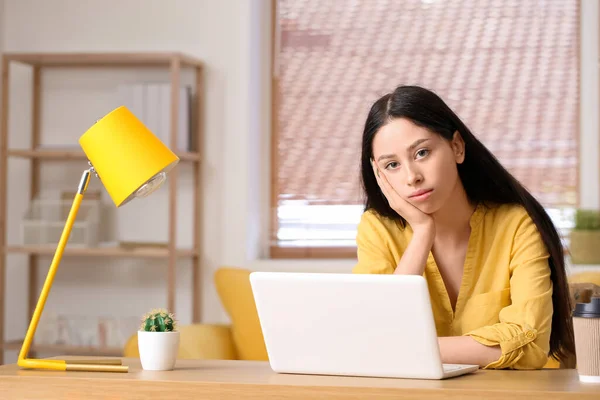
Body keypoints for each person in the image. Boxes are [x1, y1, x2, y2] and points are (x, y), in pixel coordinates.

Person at [353, 85, 575, 370]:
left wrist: (405, 347)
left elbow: (531, 347)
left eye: (422, 153)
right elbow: (373, 334)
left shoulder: (516, 224)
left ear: (456, 147)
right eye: (392, 165)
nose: (411, 177)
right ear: (378, 173)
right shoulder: (377, 229)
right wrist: (422, 233)